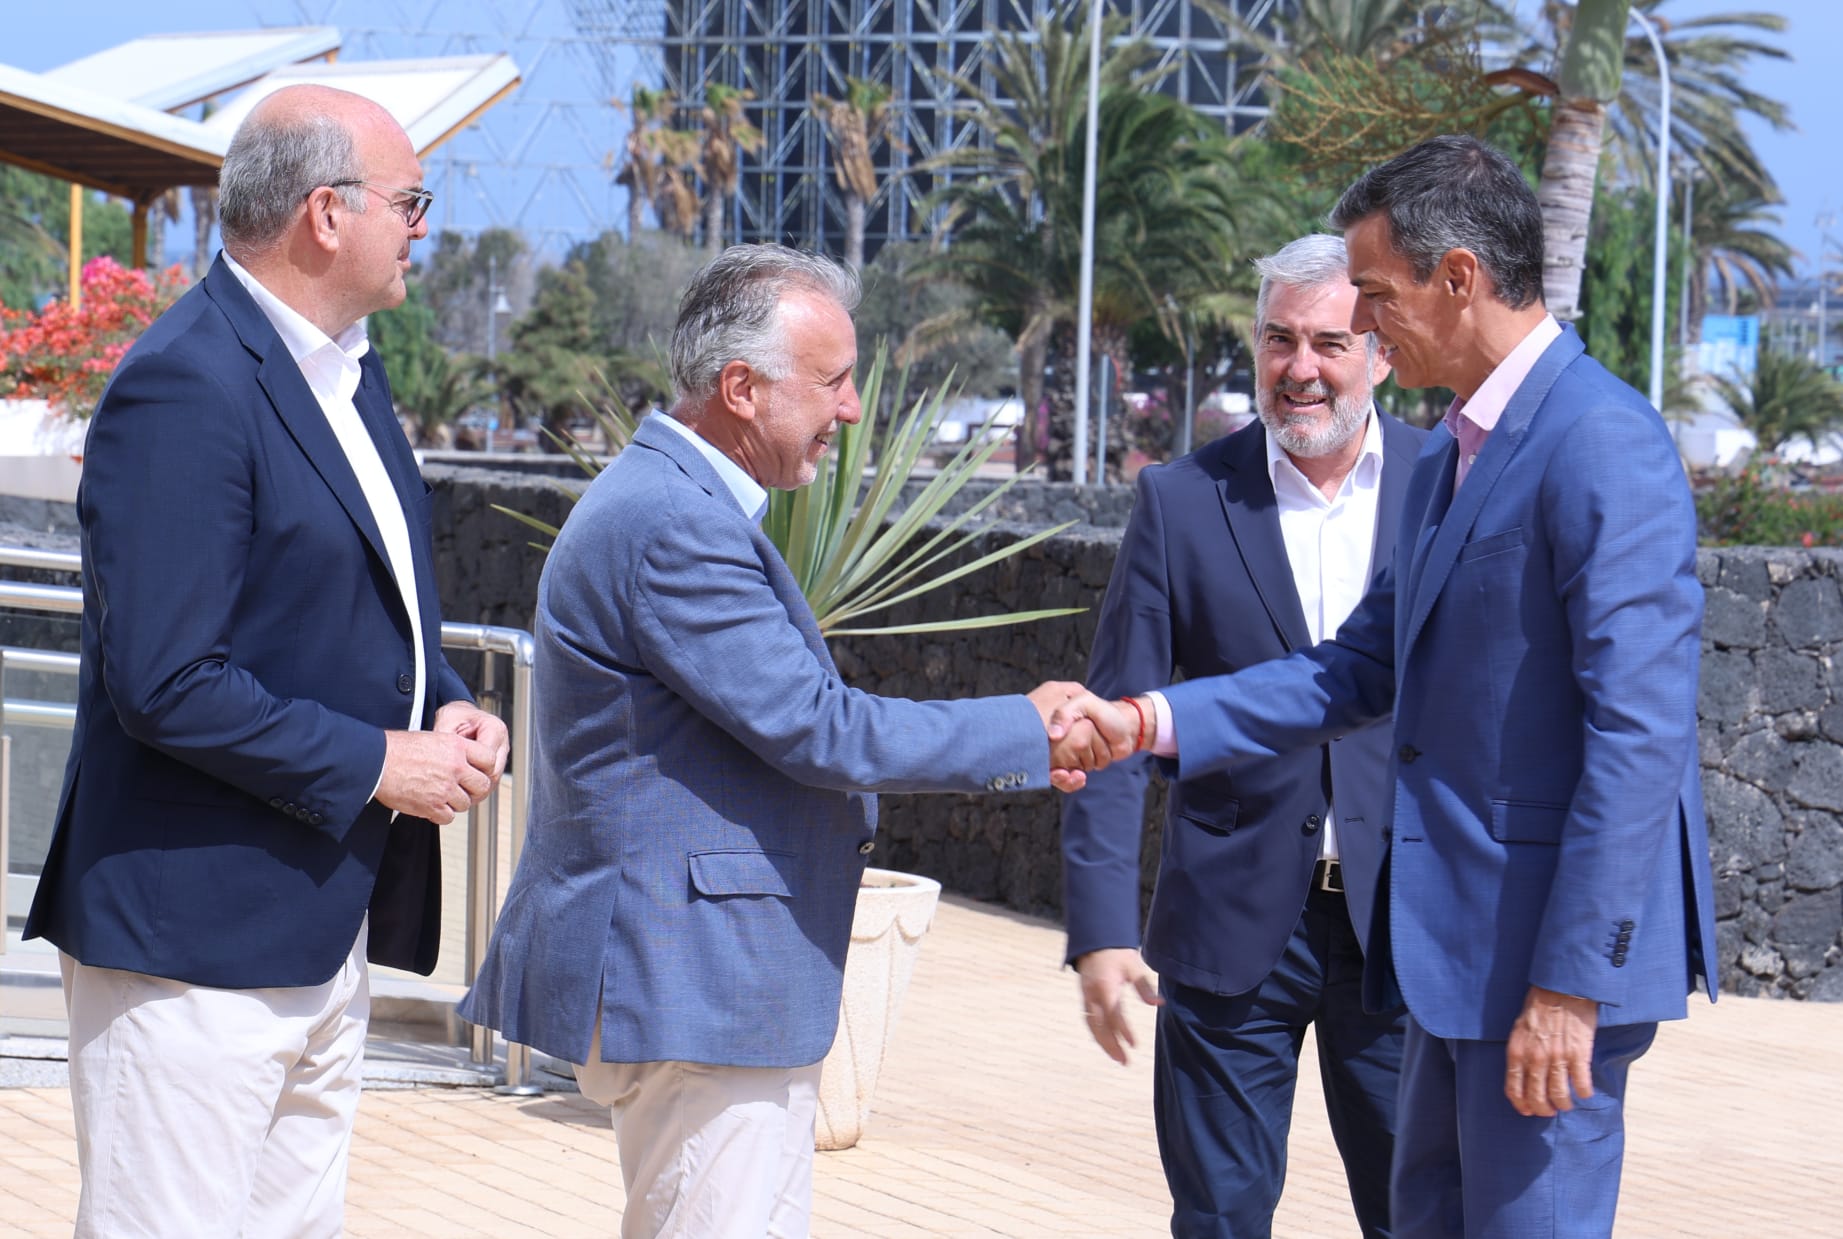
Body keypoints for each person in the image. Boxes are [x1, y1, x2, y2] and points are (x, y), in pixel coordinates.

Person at [1061, 136, 1718, 1238]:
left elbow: (1639, 734)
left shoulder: (1600, 440)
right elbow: (1351, 671)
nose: (1363, 328)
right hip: (1450, 955)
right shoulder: (1458, 452)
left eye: (1372, 296)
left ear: (1456, 277)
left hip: (1539, 969)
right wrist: (1144, 720)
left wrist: (1570, 984)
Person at [459, 243, 1126, 1239]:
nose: (852, 409)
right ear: (741, 388)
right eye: (832, 381)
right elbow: (822, 732)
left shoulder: (671, 504)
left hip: (715, 986)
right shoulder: (674, 524)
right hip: (698, 987)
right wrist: (1025, 728)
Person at [25, 85, 510, 1237]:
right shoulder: (187, 380)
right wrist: (379, 764)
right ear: (325, 214)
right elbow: (165, 679)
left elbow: (357, 608)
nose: (425, 227)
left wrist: (442, 703)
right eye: (410, 201)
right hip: (191, 946)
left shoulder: (348, 375)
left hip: (317, 926)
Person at [1062, 233, 1424, 1238]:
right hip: (1230, 931)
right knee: (1218, 1217)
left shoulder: (1449, 488)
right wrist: (1098, 931)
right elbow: (1113, 719)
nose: (1298, 369)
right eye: (1277, 340)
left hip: (1404, 929)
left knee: (1421, 1216)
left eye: (1326, 342)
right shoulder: (1181, 502)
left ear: (1381, 351)